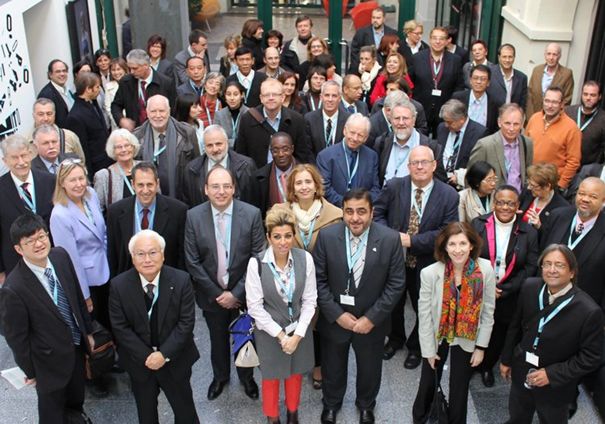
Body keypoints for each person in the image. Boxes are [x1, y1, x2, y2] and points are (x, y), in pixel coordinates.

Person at [313, 188, 405, 424]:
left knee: (370, 369)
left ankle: (366, 405)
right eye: (349, 211)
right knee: (332, 367)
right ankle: (331, 404)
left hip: (371, 323)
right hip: (336, 321)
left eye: (361, 211)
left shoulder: (389, 239)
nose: (355, 218)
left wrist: (372, 318)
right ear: (342, 212)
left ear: (372, 213)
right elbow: (318, 281)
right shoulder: (326, 237)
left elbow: (396, 284)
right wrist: (337, 315)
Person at [0, 213, 94, 424]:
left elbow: (76, 296)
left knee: (76, 402)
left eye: (41, 236)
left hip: (76, 348)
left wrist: (87, 332)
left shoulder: (60, 256)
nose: (39, 244)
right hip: (48, 364)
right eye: (30, 241)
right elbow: (17, 339)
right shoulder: (14, 288)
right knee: (52, 413)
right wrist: (31, 371)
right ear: (18, 249)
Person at [374, 145, 459, 367]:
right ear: (408, 166)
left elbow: (447, 231)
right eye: (414, 162)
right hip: (395, 259)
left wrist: (412, 241)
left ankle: (416, 347)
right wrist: (392, 237)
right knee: (393, 303)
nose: (419, 166)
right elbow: (378, 214)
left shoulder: (448, 194)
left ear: (434, 165)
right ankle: (395, 339)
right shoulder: (394, 186)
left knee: (424, 306)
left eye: (424, 162)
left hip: (428, 261)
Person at [184, 166, 264, 401]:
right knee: (217, 339)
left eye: (226, 186)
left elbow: (258, 256)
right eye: (215, 187)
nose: (221, 191)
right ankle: (220, 377)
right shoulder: (193, 216)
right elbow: (192, 260)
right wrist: (218, 293)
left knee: (244, 336)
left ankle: (246, 378)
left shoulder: (251, 214)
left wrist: (236, 293)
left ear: (234, 188)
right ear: (205, 189)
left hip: (244, 293)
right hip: (211, 295)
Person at [500, 244, 603, 423]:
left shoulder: (588, 311)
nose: (552, 270)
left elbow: (592, 356)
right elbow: (515, 326)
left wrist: (552, 374)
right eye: (547, 264)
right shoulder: (529, 287)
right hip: (522, 371)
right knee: (517, 416)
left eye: (559, 265)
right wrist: (506, 359)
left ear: (572, 272)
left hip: (556, 386)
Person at [109, 230, 200, 423]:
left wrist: (163, 354)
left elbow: (186, 324)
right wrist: (148, 357)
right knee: (146, 415)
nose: (147, 259)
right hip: (140, 363)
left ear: (163, 254)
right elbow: (120, 327)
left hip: (175, 360)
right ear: (132, 258)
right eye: (140, 254)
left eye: (153, 252)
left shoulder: (181, 280)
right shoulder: (119, 286)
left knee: (186, 413)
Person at [413, 222, 495, 424]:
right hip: (438, 334)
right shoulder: (430, 273)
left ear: (472, 245)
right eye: (452, 244)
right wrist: (428, 351)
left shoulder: (485, 269)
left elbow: (488, 311)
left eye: (462, 243)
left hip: (467, 335)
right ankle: (421, 417)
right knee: (428, 381)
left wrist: (481, 347)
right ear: (444, 247)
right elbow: (424, 316)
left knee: (459, 386)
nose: (458, 250)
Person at [245, 207, 318, 424]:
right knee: (271, 377)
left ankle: (293, 413)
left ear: (294, 235)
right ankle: (273, 417)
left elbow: (310, 300)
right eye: (277, 237)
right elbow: (255, 307)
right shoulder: (256, 263)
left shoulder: (305, 259)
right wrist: (281, 336)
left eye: (288, 236)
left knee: (295, 374)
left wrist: (297, 335)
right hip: (269, 331)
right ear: (268, 237)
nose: (283, 242)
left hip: (299, 328)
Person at [273, 164, 343, 390]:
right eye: (298, 182)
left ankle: (318, 368)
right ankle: (297, 362)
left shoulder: (335, 215)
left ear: (316, 185)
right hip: (291, 284)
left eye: (308, 182)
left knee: (320, 329)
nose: (304, 187)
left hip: (324, 283)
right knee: (295, 325)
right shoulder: (279, 212)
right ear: (292, 186)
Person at [471, 186, 539, 388]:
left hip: (509, 294)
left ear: (518, 206)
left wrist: (506, 289)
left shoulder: (528, 231)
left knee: (499, 331)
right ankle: (469, 364)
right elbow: (469, 258)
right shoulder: (479, 224)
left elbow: (531, 266)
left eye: (510, 203)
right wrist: (485, 286)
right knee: (475, 325)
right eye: (500, 202)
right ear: (494, 203)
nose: (505, 207)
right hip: (479, 288)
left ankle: (486, 366)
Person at [49, 159, 109, 330]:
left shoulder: (91, 194)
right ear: (62, 183)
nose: (79, 184)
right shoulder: (59, 215)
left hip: (106, 267)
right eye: (72, 180)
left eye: (81, 178)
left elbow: (102, 231)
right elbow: (70, 260)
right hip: (89, 281)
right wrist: (84, 296)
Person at [106, 162, 188, 277]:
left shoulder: (177, 211)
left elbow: (181, 256)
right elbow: (112, 256)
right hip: (129, 283)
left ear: (157, 184)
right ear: (133, 184)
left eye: (150, 185)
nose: (145, 190)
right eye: (140, 185)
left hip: (166, 282)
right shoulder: (115, 212)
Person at [539, 177, 605, 309]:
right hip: (547, 299)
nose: (585, 199)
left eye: (593, 196)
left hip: (585, 307)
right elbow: (541, 254)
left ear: (603, 201)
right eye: (581, 194)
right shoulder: (557, 216)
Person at [0, 135, 56, 284]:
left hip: (51, 257)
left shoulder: (49, 181)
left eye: (24, 155)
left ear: (30, 154)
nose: (21, 162)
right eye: (14, 158)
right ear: (5, 161)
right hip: (16, 264)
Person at [133, 94, 200, 200]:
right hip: (148, 198)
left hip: (181, 198)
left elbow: (196, 167)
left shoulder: (186, 133)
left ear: (169, 111)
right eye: (153, 111)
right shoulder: (137, 137)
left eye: (162, 111)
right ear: (147, 112)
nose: (158, 115)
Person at [236, 78, 312, 168]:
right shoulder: (248, 119)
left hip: (288, 176)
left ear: (282, 97)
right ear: (261, 98)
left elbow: (302, 155)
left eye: (275, 94)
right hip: (256, 176)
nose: (271, 98)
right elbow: (241, 154)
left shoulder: (297, 120)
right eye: (266, 95)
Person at [373, 101, 445, 185]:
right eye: (397, 118)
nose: (401, 123)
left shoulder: (431, 147)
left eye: (405, 118)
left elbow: (440, 181)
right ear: (391, 121)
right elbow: (375, 179)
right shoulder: (382, 143)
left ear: (414, 120)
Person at [182, 125, 256, 207]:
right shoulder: (191, 170)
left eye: (218, 144)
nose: (215, 149)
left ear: (227, 142)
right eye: (209, 145)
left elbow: (254, 201)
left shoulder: (246, 166)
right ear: (204, 147)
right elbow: (188, 204)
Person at [317, 113, 381, 207]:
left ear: (366, 138)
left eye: (360, 135)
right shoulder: (325, 156)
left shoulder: (372, 156)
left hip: (362, 211)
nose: (355, 138)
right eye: (352, 133)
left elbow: (375, 188)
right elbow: (325, 188)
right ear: (345, 130)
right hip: (335, 210)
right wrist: (348, 205)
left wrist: (361, 205)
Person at [410, 26, 464, 136]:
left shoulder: (456, 60)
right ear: (429, 39)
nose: (438, 42)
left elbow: (459, 87)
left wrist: (452, 107)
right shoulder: (417, 58)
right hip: (421, 108)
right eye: (434, 38)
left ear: (447, 41)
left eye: (441, 38)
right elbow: (411, 84)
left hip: (445, 112)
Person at [468, 103, 533, 192]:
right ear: (499, 122)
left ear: (522, 125)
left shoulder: (527, 143)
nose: (511, 128)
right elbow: (471, 178)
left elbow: (528, 172)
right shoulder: (485, 145)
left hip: (519, 199)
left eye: (516, 124)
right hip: (492, 201)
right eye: (507, 123)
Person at [526, 86, 582, 189]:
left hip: (550, 185)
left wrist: (561, 185)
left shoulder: (571, 128)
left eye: (554, 102)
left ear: (562, 104)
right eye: (547, 101)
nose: (550, 106)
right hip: (529, 180)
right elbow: (524, 146)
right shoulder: (534, 118)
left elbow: (573, 161)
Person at [111, 49, 177, 130]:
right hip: (135, 131)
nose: (131, 72)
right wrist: (121, 119)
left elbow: (174, 110)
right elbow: (116, 105)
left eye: (135, 68)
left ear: (146, 65)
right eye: (130, 68)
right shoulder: (126, 82)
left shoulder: (166, 83)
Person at [65, 72, 112, 176]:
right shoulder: (75, 116)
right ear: (88, 89)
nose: (99, 90)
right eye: (97, 87)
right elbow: (83, 149)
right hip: (96, 167)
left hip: (107, 160)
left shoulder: (93, 103)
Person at [436, 99, 488, 188]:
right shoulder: (442, 129)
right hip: (440, 181)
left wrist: (460, 177)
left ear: (462, 119)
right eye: (445, 121)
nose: (446, 125)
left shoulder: (479, 133)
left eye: (449, 122)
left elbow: (478, 164)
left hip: (461, 185)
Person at [93, 128, 141, 212]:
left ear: (133, 147)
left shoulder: (145, 168)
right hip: (119, 223)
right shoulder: (104, 176)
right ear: (113, 150)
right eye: (119, 147)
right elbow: (98, 209)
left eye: (127, 145)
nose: (124, 150)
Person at [253, 133, 298, 217]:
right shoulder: (259, 178)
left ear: (292, 149)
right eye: (275, 150)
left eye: (285, 149)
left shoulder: (305, 174)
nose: (281, 154)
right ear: (271, 152)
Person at [526, 42, 575, 118]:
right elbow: (530, 95)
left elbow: (567, 99)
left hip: (554, 118)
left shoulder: (567, 74)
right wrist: (531, 117)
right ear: (545, 55)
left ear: (559, 56)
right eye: (548, 54)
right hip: (534, 116)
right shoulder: (537, 70)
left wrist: (554, 117)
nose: (551, 57)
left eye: (554, 54)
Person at [305, 81, 351, 156]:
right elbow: (308, 150)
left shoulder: (348, 120)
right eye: (327, 95)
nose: (330, 99)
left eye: (334, 96)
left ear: (339, 98)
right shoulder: (309, 119)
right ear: (321, 97)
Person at [565, 80, 605, 166]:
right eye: (585, 94)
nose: (588, 98)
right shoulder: (567, 112)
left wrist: (593, 168)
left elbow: (602, 150)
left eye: (592, 95)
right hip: (564, 164)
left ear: (599, 97)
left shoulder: (603, 119)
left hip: (586, 170)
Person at [452, 64, 500, 134]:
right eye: (475, 78)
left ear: (488, 83)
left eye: (483, 79)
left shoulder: (495, 102)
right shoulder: (458, 98)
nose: (478, 82)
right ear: (470, 80)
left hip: (484, 141)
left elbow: (495, 128)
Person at [349, 7, 398, 74]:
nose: (375, 20)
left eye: (378, 18)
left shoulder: (392, 33)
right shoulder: (361, 32)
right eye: (373, 17)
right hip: (366, 71)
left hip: (385, 70)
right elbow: (355, 52)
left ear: (384, 19)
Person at [519, 163, 569, 229]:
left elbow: (556, 235)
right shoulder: (528, 192)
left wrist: (539, 226)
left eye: (534, 186)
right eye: (529, 183)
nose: (529, 187)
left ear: (547, 186)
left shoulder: (562, 207)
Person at [487, 43, 528, 109]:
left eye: (510, 57)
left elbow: (522, 103)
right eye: (504, 57)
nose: (507, 60)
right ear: (499, 57)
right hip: (492, 116)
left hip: (513, 117)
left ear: (514, 57)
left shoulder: (522, 78)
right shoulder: (490, 73)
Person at [37, 59, 74, 128]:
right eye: (58, 71)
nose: (62, 74)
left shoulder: (67, 89)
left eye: (64, 71)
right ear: (50, 74)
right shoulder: (46, 95)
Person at [214, 80, 249, 148]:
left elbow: (249, 139)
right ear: (225, 96)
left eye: (235, 94)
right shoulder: (219, 115)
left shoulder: (249, 113)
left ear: (242, 95)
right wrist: (236, 142)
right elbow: (217, 139)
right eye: (228, 94)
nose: (232, 98)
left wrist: (228, 142)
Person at [104, 58, 129, 129]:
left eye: (119, 69)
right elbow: (108, 108)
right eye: (113, 70)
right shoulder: (108, 87)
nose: (116, 72)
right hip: (117, 126)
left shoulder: (131, 83)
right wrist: (120, 121)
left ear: (124, 69)